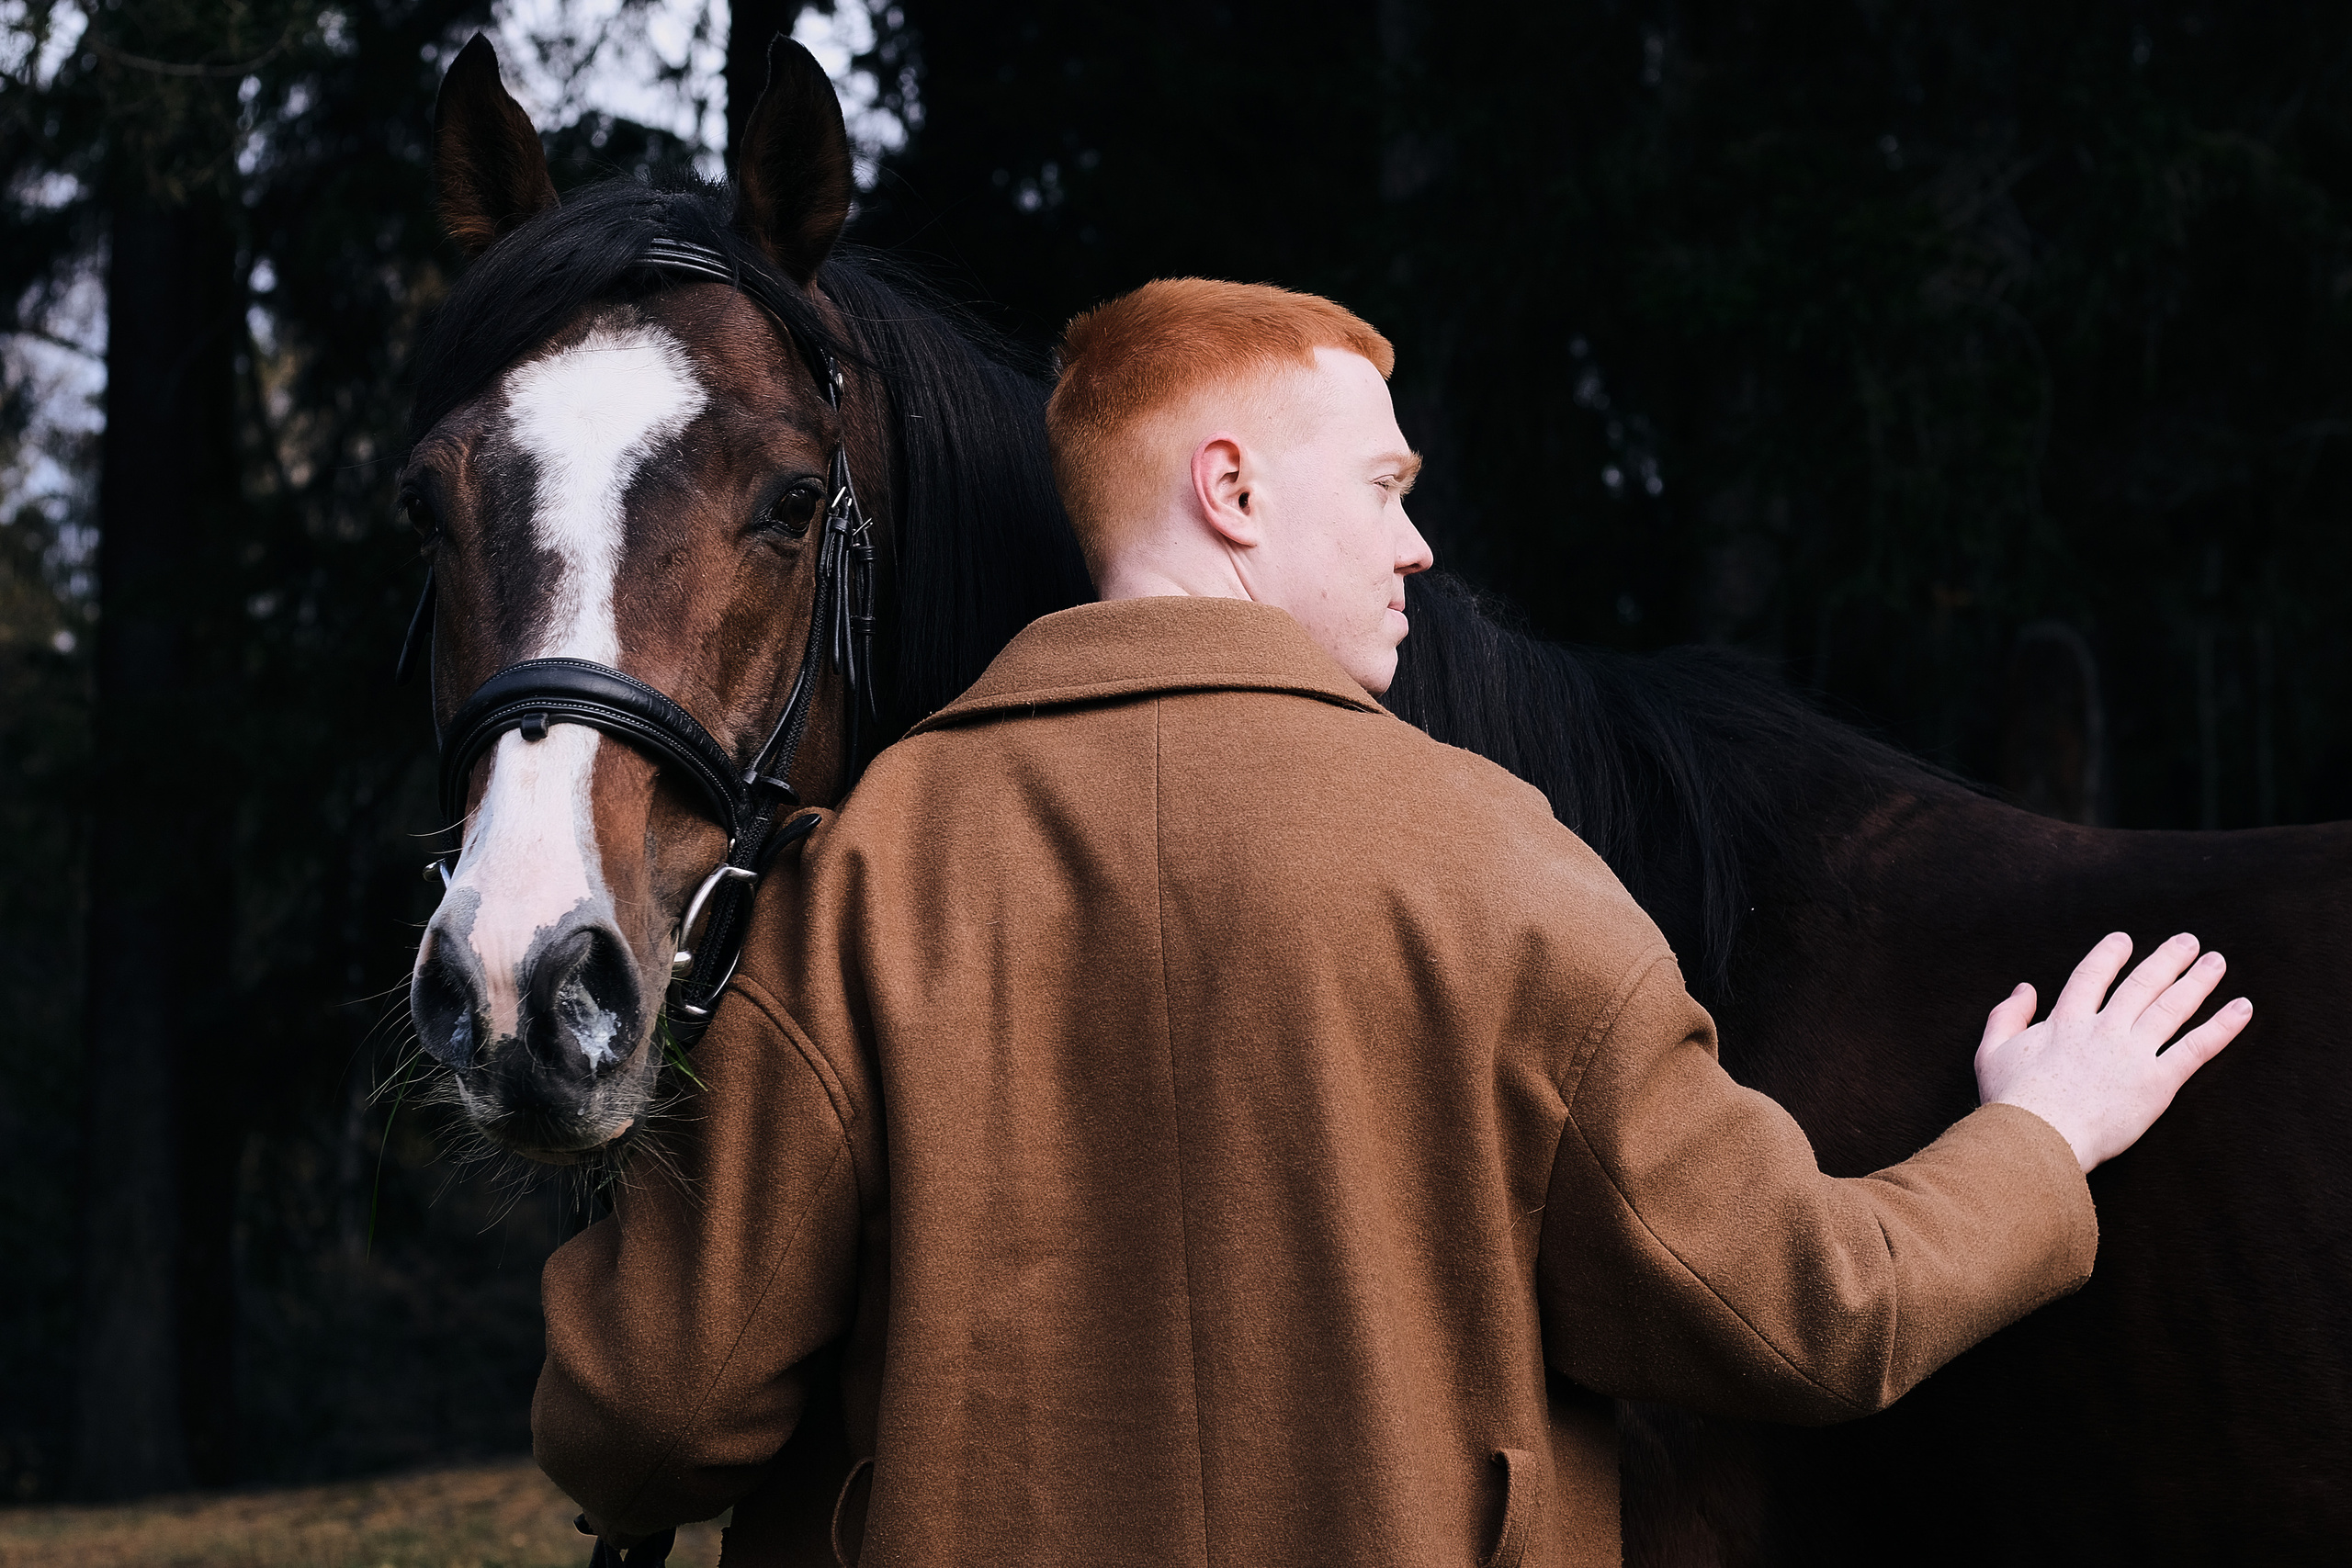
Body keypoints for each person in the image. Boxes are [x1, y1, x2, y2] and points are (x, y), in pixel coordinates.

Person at [532, 279, 2249, 1567]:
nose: (1421, 546)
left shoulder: (855, 883)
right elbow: (1801, 1314)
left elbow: (654, 1419)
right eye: (1385, 487)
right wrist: (2039, 1135)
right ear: (1232, 490)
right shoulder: (1499, 861)